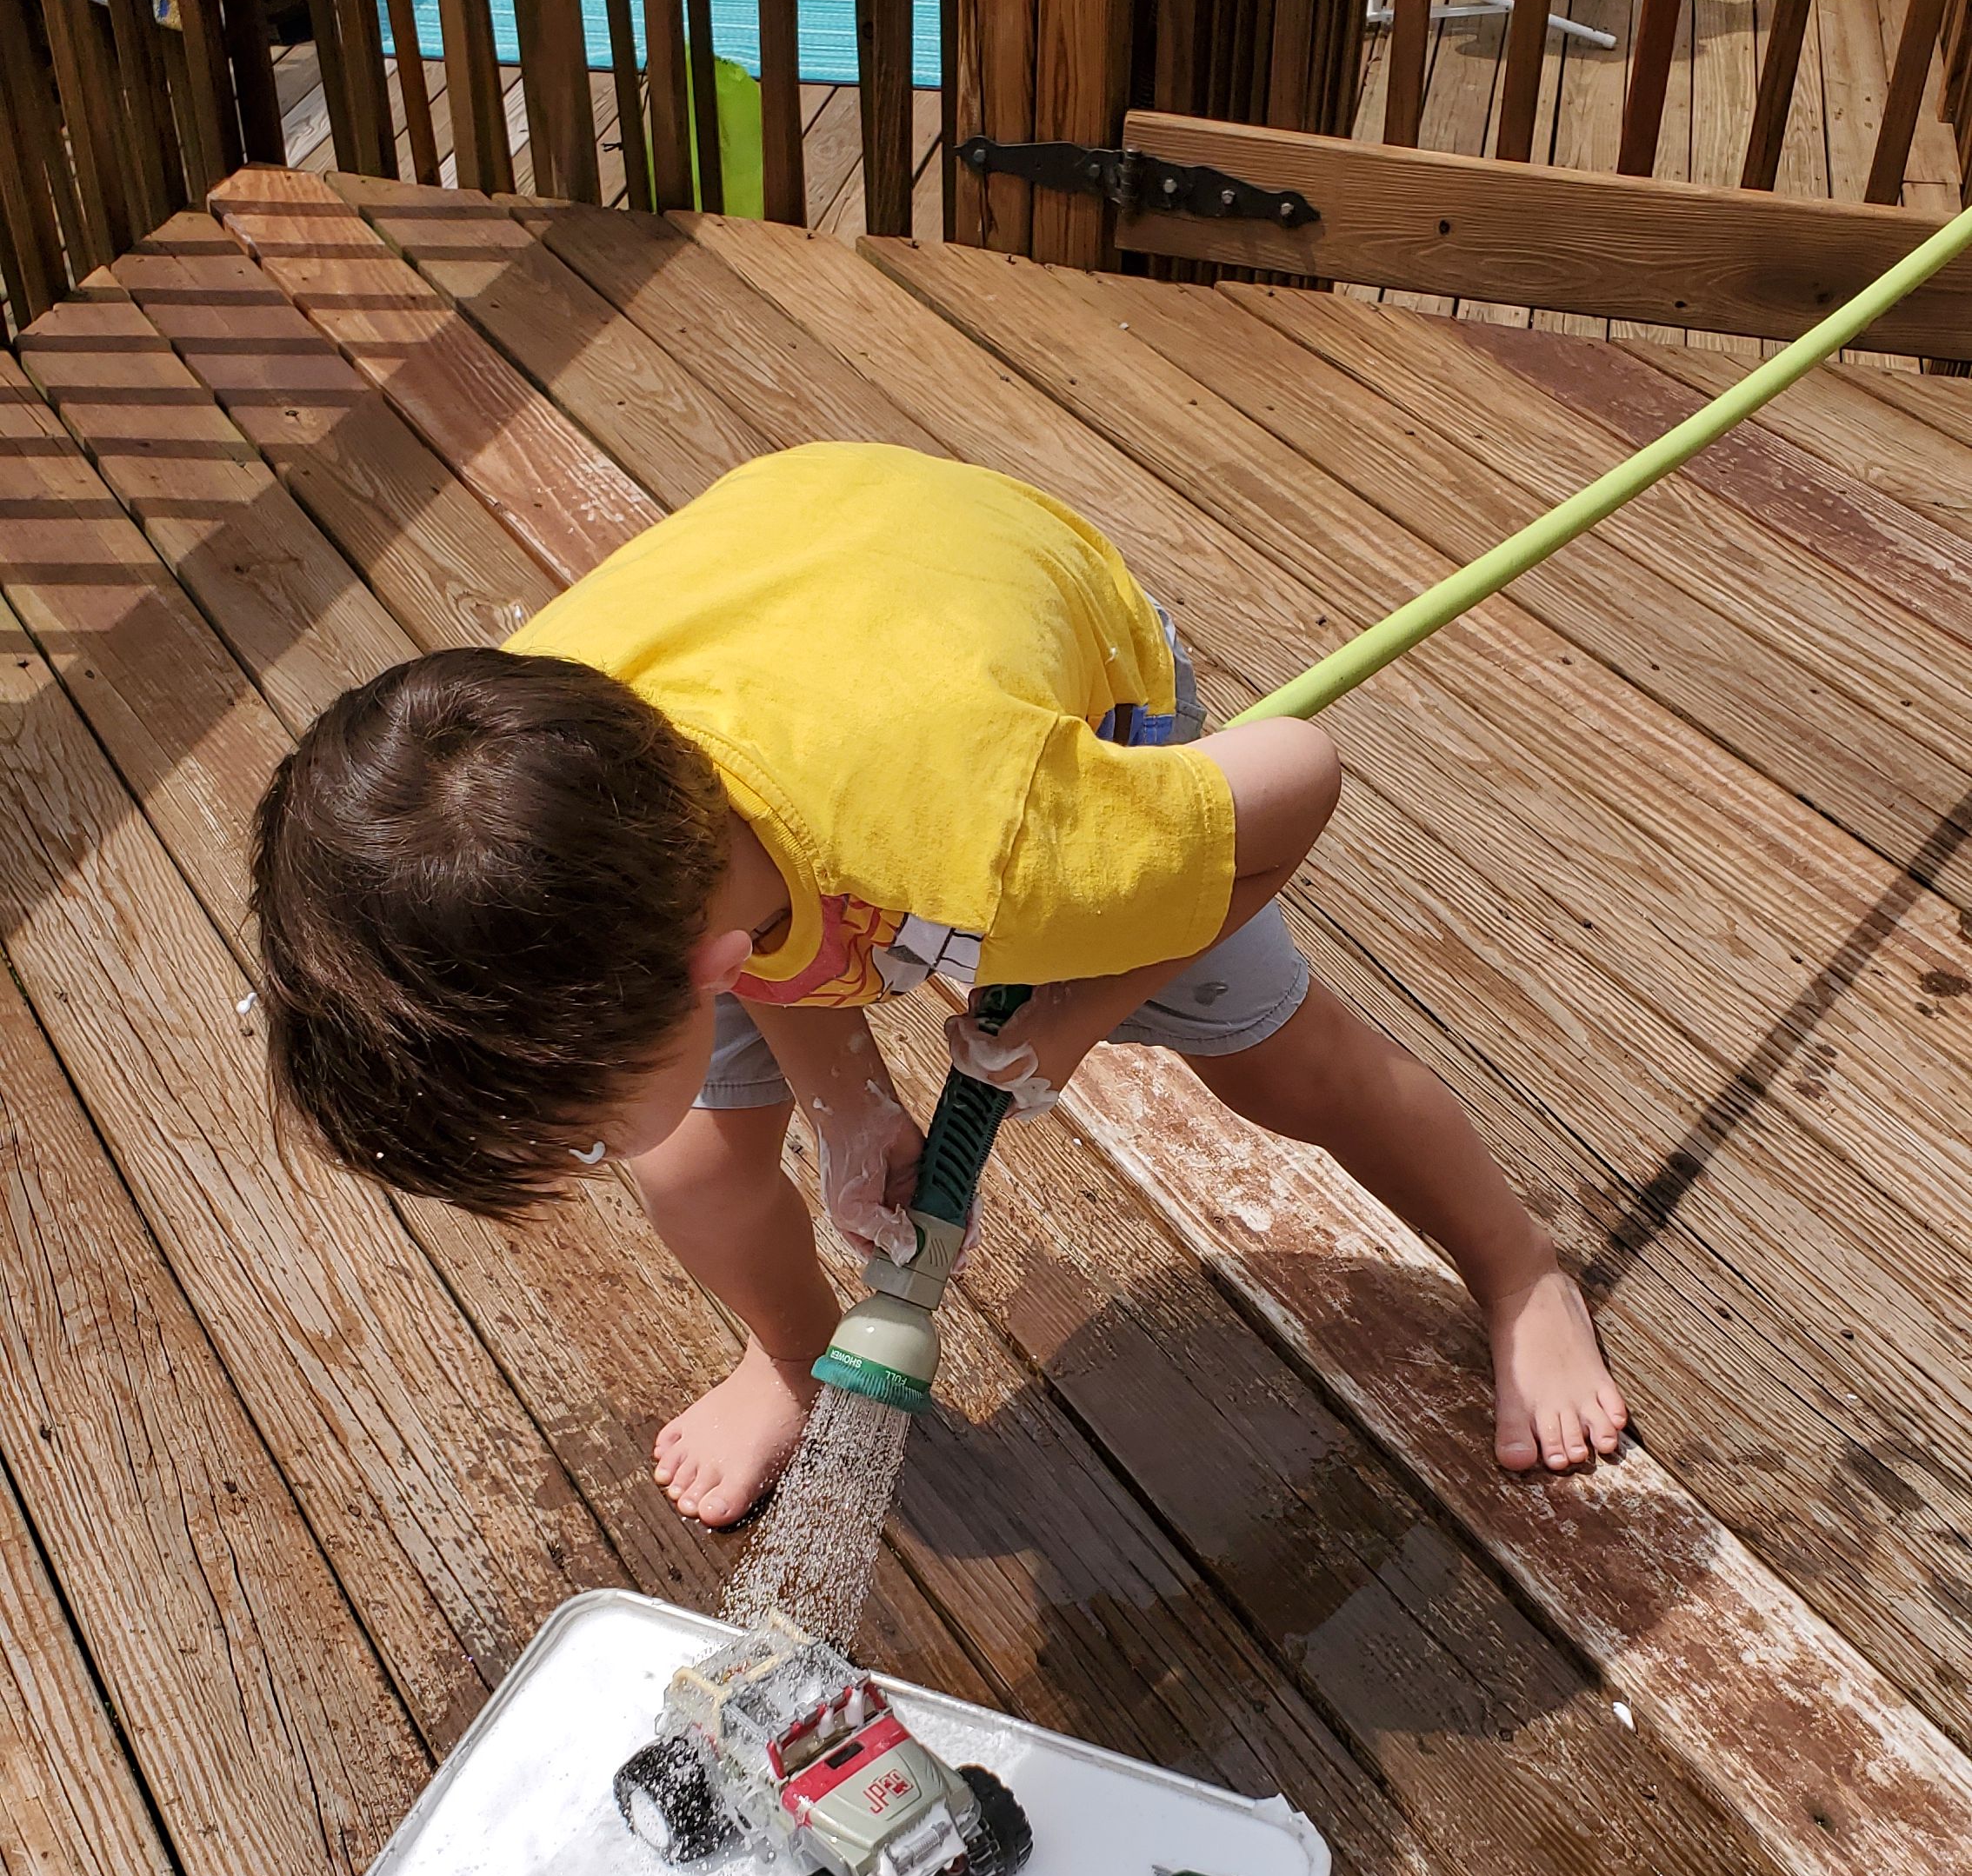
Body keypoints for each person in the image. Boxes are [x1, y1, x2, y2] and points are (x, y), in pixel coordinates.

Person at [253, 442, 1626, 1527]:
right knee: (691, 1167)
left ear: (705, 974)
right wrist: (845, 1103)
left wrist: (1077, 1014)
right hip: (788, 615)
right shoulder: (541, 786)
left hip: (1022, 658)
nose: (594, 1151)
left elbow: (1299, 777)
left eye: (584, 1124)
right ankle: (794, 1357)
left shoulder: (1013, 842)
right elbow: (753, 911)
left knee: (1288, 1058)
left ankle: (1519, 1274)